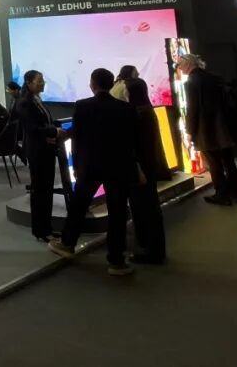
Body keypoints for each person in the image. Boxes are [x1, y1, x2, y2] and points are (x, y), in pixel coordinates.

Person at [48, 68, 140, 276]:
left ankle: (67, 243)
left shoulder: (83, 106)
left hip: (90, 166)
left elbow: (78, 136)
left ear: (93, 84)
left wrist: (75, 164)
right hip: (118, 167)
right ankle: (117, 261)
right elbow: (132, 141)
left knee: (78, 207)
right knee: (118, 213)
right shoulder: (126, 109)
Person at [179, 53, 237, 205]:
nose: (179, 68)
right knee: (229, 162)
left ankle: (222, 195)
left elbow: (193, 109)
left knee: (214, 164)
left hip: (206, 130)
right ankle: (235, 194)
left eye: (180, 64)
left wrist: (189, 131)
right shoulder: (214, 78)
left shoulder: (191, 82)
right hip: (224, 127)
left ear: (188, 64)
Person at [11, 71, 59, 242]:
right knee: (40, 192)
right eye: (39, 81)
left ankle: (47, 228)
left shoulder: (37, 100)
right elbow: (32, 129)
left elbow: (45, 122)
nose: (43, 83)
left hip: (46, 149)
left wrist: (54, 129)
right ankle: (40, 230)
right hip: (37, 152)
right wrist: (54, 131)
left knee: (47, 190)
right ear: (29, 82)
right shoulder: (24, 102)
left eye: (43, 80)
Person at [126, 77, 167, 264]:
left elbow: (133, 146)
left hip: (139, 170)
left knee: (143, 209)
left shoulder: (137, 114)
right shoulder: (148, 111)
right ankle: (154, 249)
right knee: (151, 208)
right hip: (149, 167)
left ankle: (149, 250)